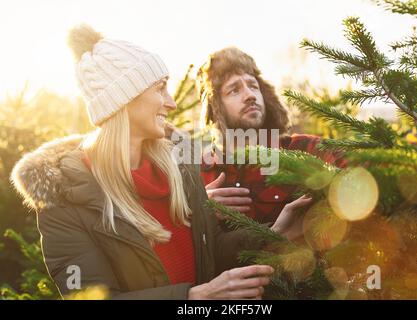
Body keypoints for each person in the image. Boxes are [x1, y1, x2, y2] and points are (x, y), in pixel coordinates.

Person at [10, 25, 310, 299]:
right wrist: (192, 299)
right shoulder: (65, 199)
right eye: (160, 88)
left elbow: (210, 254)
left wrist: (273, 234)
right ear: (124, 101)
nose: (172, 102)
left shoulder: (181, 170)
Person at [196, 47, 346, 224]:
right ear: (215, 108)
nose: (250, 95)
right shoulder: (199, 174)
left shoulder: (303, 149)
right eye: (234, 90)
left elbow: (367, 170)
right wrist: (200, 209)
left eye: (253, 86)